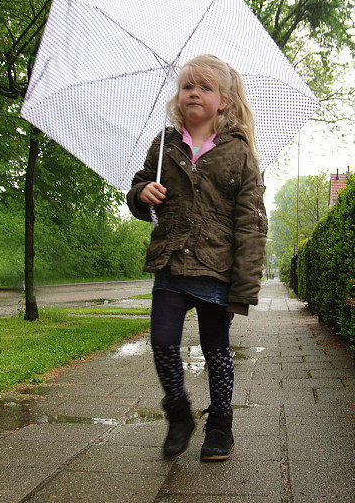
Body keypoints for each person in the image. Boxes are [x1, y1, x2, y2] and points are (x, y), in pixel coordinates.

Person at [126, 54, 268, 461]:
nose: (193, 93)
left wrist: (244, 286)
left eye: (204, 87)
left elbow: (251, 222)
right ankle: (179, 414)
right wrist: (141, 195)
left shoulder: (239, 154)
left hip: (216, 270)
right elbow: (139, 187)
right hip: (171, 263)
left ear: (223, 100)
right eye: (188, 86)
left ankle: (221, 424)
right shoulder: (165, 144)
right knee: (163, 341)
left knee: (216, 349)